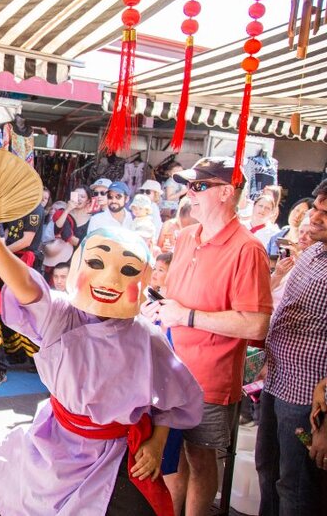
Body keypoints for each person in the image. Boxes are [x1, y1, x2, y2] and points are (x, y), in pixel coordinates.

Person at [0, 227, 203, 515]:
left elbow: (169, 401)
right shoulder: (61, 316)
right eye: (96, 263)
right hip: (53, 443)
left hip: (115, 453)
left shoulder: (147, 337)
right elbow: (28, 289)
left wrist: (157, 443)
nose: (108, 278)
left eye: (127, 269)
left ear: (143, 280)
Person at [141, 156, 272, 516]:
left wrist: (187, 315)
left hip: (209, 381)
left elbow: (256, 324)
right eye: (189, 186)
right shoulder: (184, 237)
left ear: (227, 193)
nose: (189, 193)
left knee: (200, 460)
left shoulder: (248, 249)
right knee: (170, 457)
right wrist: (162, 308)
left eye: (199, 186)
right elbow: (177, 298)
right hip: (168, 368)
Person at [255, 181, 327, 516]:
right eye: (316, 208)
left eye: (326, 213)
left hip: (306, 401)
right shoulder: (313, 251)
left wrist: (324, 423)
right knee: (266, 469)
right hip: (275, 382)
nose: (315, 217)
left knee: (295, 487)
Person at [0, 203, 47, 385]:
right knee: (0, 311)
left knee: (23, 311)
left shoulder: (33, 209)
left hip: (16, 265)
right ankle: (11, 358)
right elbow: (7, 234)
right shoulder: (7, 209)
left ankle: (36, 359)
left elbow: (21, 240)